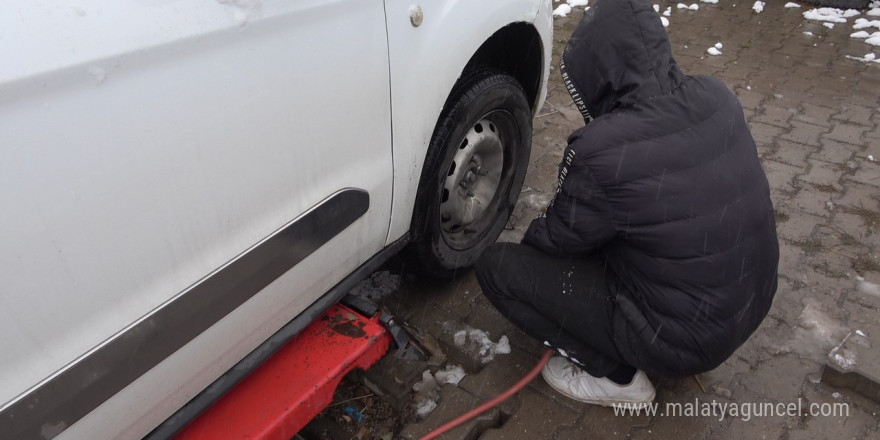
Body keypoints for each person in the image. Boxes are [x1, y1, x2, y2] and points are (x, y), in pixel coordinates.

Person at [475, 0, 779, 406]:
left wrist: (542, 268)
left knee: (498, 269)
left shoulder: (603, 150)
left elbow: (553, 242)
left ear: (596, 71)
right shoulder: (716, 95)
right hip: (750, 304)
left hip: (683, 340)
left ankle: (618, 378)